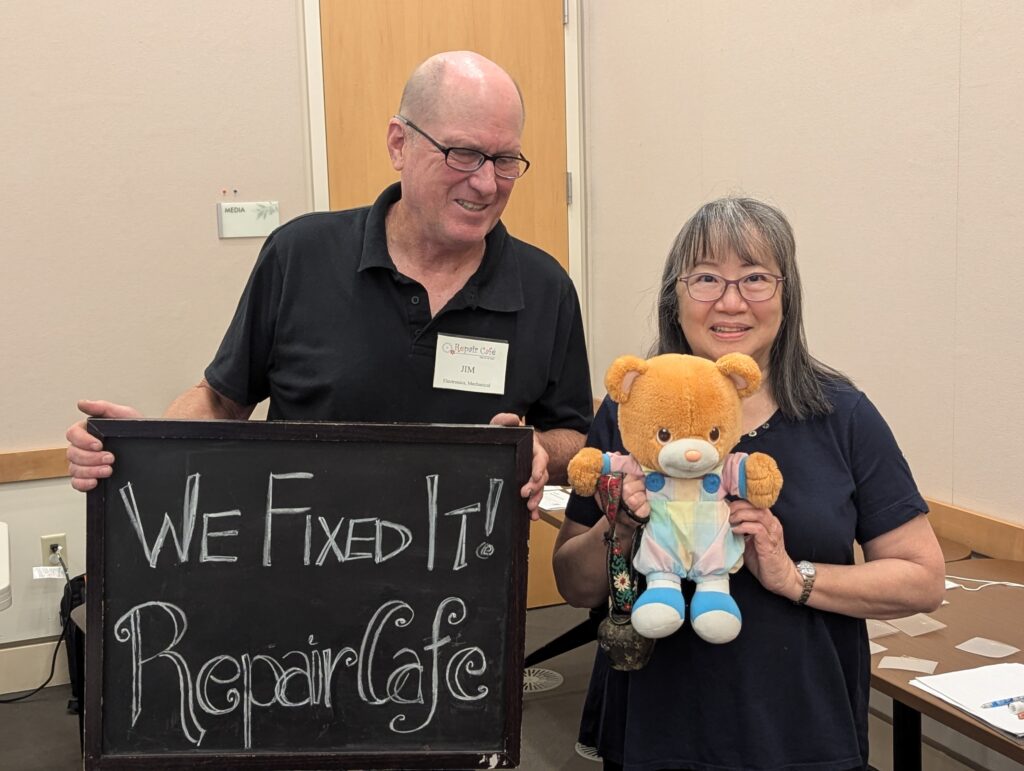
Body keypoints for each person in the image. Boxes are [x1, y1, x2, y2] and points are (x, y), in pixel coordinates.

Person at [65, 51, 592, 512]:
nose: (485, 182)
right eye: (463, 153)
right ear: (399, 144)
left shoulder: (546, 288)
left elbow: (574, 434)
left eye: (503, 160)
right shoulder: (301, 255)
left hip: (461, 583)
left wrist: (538, 449)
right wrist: (146, 446)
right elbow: (222, 401)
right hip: (302, 572)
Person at [552, 197, 945, 770]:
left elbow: (922, 580)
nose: (730, 301)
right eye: (706, 278)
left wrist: (793, 577)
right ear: (675, 296)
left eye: (756, 278)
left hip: (801, 732)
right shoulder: (630, 412)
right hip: (656, 731)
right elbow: (573, 583)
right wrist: (622, 529)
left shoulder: (842, 416)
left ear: (787, 297)